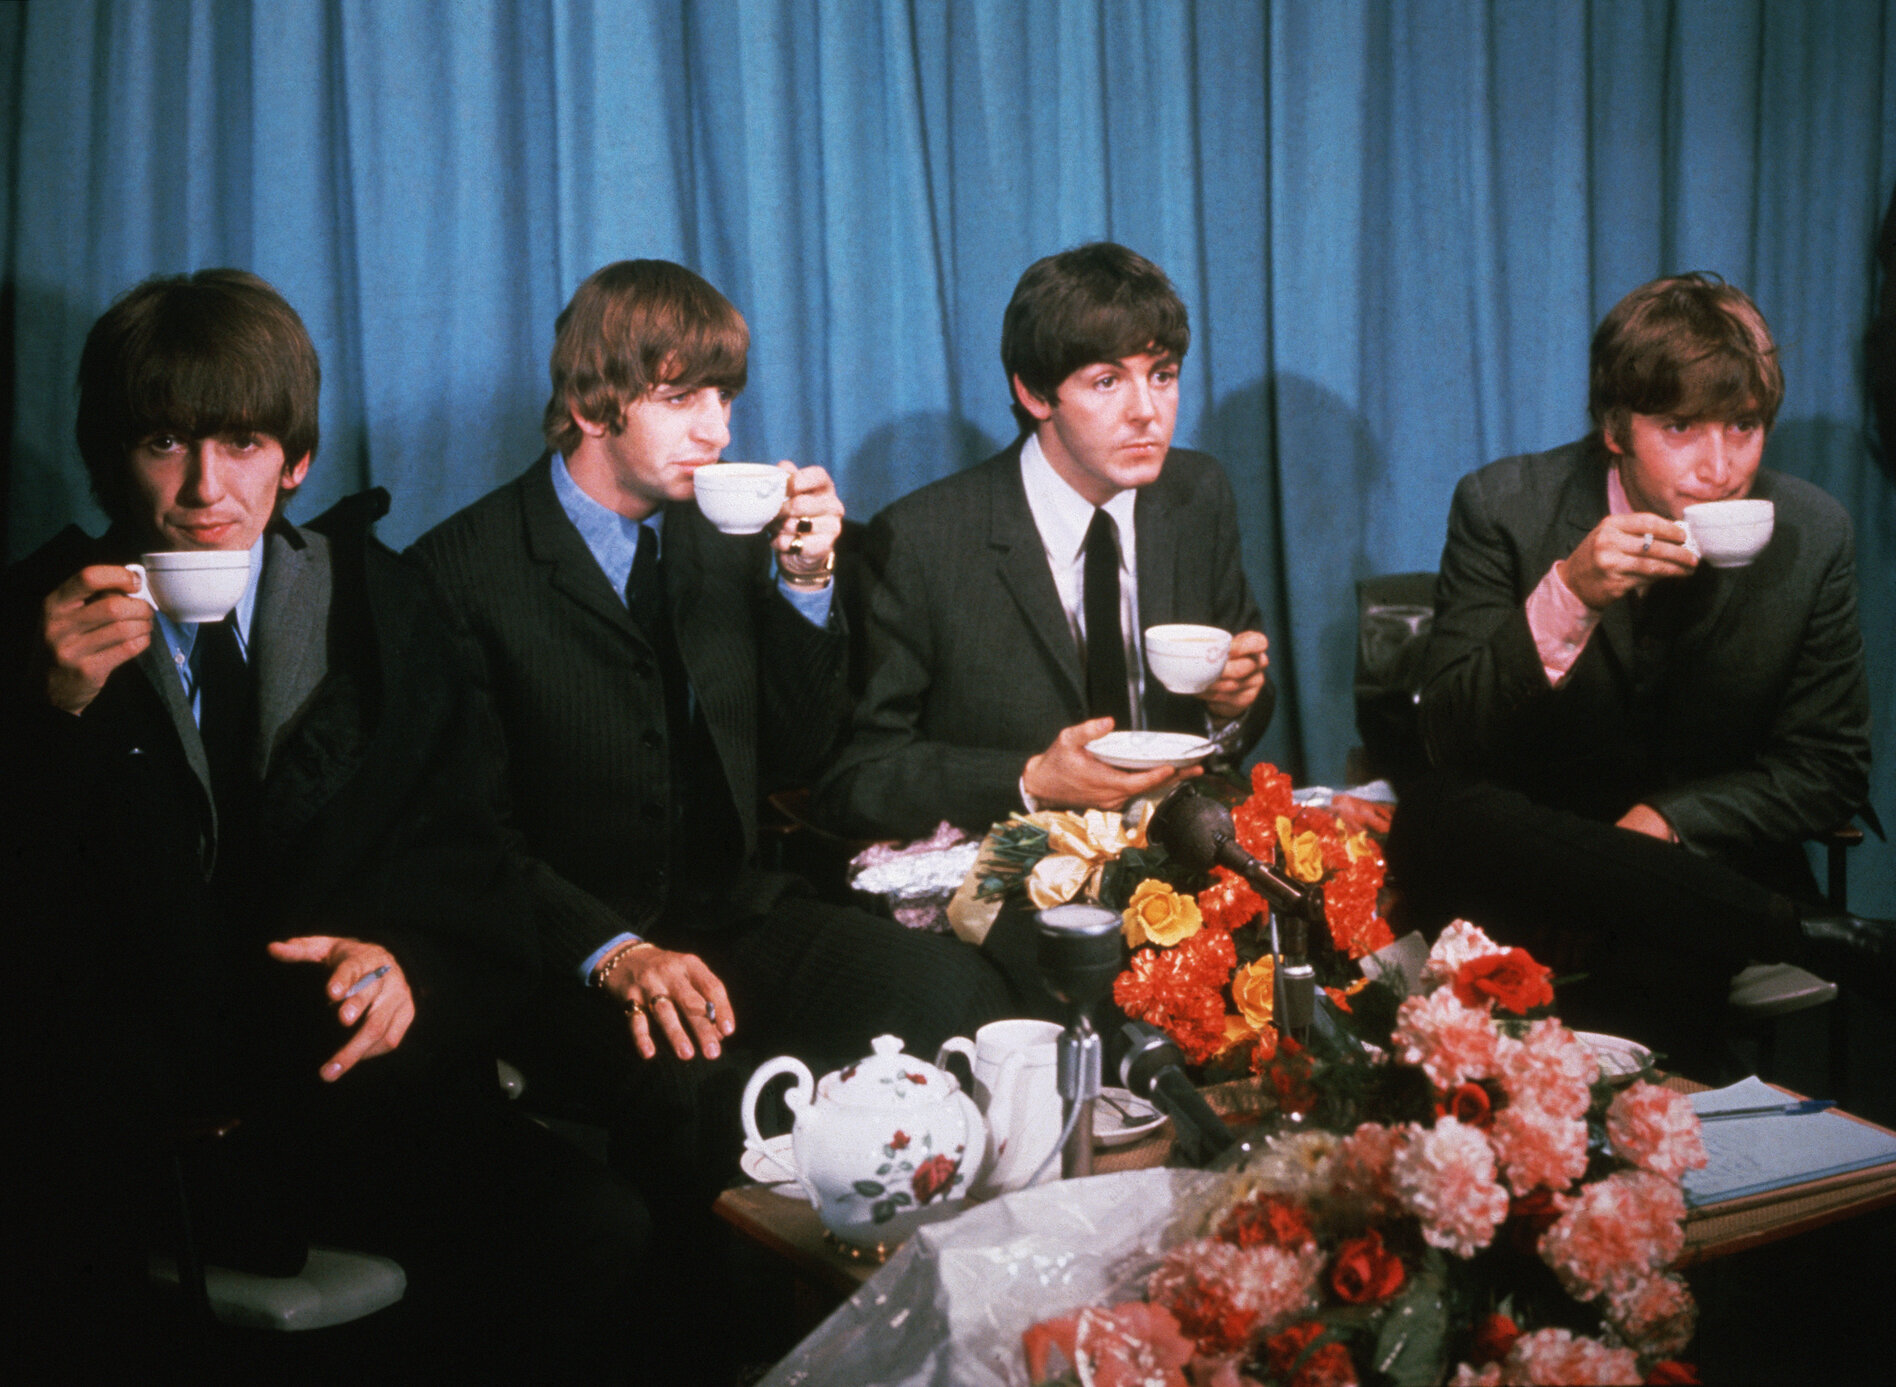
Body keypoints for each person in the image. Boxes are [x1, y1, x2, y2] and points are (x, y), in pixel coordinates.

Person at [1, 270, 648, 1379]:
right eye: (165, 442)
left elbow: (475, 856)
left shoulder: (386, 606)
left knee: (593, 1228)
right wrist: (48, 718)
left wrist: (411, 967)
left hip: (356, 1087)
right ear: (112, 455)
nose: (206, 488)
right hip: (140, 1120)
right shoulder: (33, 621)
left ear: (295, 459)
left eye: (244, 442)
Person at [407, 256, 1014, 1146]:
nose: (718, 430)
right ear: (591, 406)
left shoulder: (722, 538)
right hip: (569, 954)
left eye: (724, 398)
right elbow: (466, 838)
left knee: (959, 997)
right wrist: (615, 952)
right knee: (716, 1105)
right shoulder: (455, 573)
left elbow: (799, 757)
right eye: (681, 397)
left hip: (731, 915)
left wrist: (806, 581)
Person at [1388, 272, 1891, 1070]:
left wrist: (1667, 821)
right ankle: (1811, 933)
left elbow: (1828, 765)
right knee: (1439, 808)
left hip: (1696, 873)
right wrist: (1569, 595)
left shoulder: (1812, 533)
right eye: (1681, 427)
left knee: (1659, 965)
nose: (1720, 467)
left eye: (1744, 426)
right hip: (1532, 865)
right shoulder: (1503, 506)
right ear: (1616, 426)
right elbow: (1448, 736)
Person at [815, 242, 1275, 843]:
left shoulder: (1197, 494)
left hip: (1173, 852)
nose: (1147, 411)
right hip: (1008, 870)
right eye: (1107, 381)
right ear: (1035, 394)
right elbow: (858, 778)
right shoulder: (923, 539)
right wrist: (1030, 780)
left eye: (1162, 376)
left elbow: (1239, 711)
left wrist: (1230, 707)